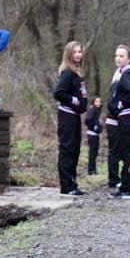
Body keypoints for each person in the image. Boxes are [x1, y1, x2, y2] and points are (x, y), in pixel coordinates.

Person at [107, 44, 130, 199]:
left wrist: (120, 105)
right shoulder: (125, 73)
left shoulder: (128, 73)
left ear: (129, 58)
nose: (118, 58)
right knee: (127, 153)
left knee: (127, 154)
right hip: (128, 116)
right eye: (116, 55)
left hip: (128, 117)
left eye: (121, 56)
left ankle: (126, 189)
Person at [53, 41, 88, 197]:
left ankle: (72, 184)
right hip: (66, 116)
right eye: (74, 52)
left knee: (75, 151)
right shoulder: (67, 72)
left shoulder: (76, 72)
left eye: (79, 51)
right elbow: (58, 93)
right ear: (68, 54)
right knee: (67, 150)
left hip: (74, 117)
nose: (78, 55)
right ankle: (66, 186)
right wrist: (74, 100)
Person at [84, 96, 103, 175]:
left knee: (94, 153)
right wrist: (94, 128)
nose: (98, 103)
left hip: (95, 135)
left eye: (99, 101)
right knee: (92, 153)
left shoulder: (97, 110)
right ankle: (91, 171)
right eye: (96, 101)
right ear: (93, 102)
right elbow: (87, 120)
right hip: (92, 134)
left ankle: (94, 170)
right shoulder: (92, 109)